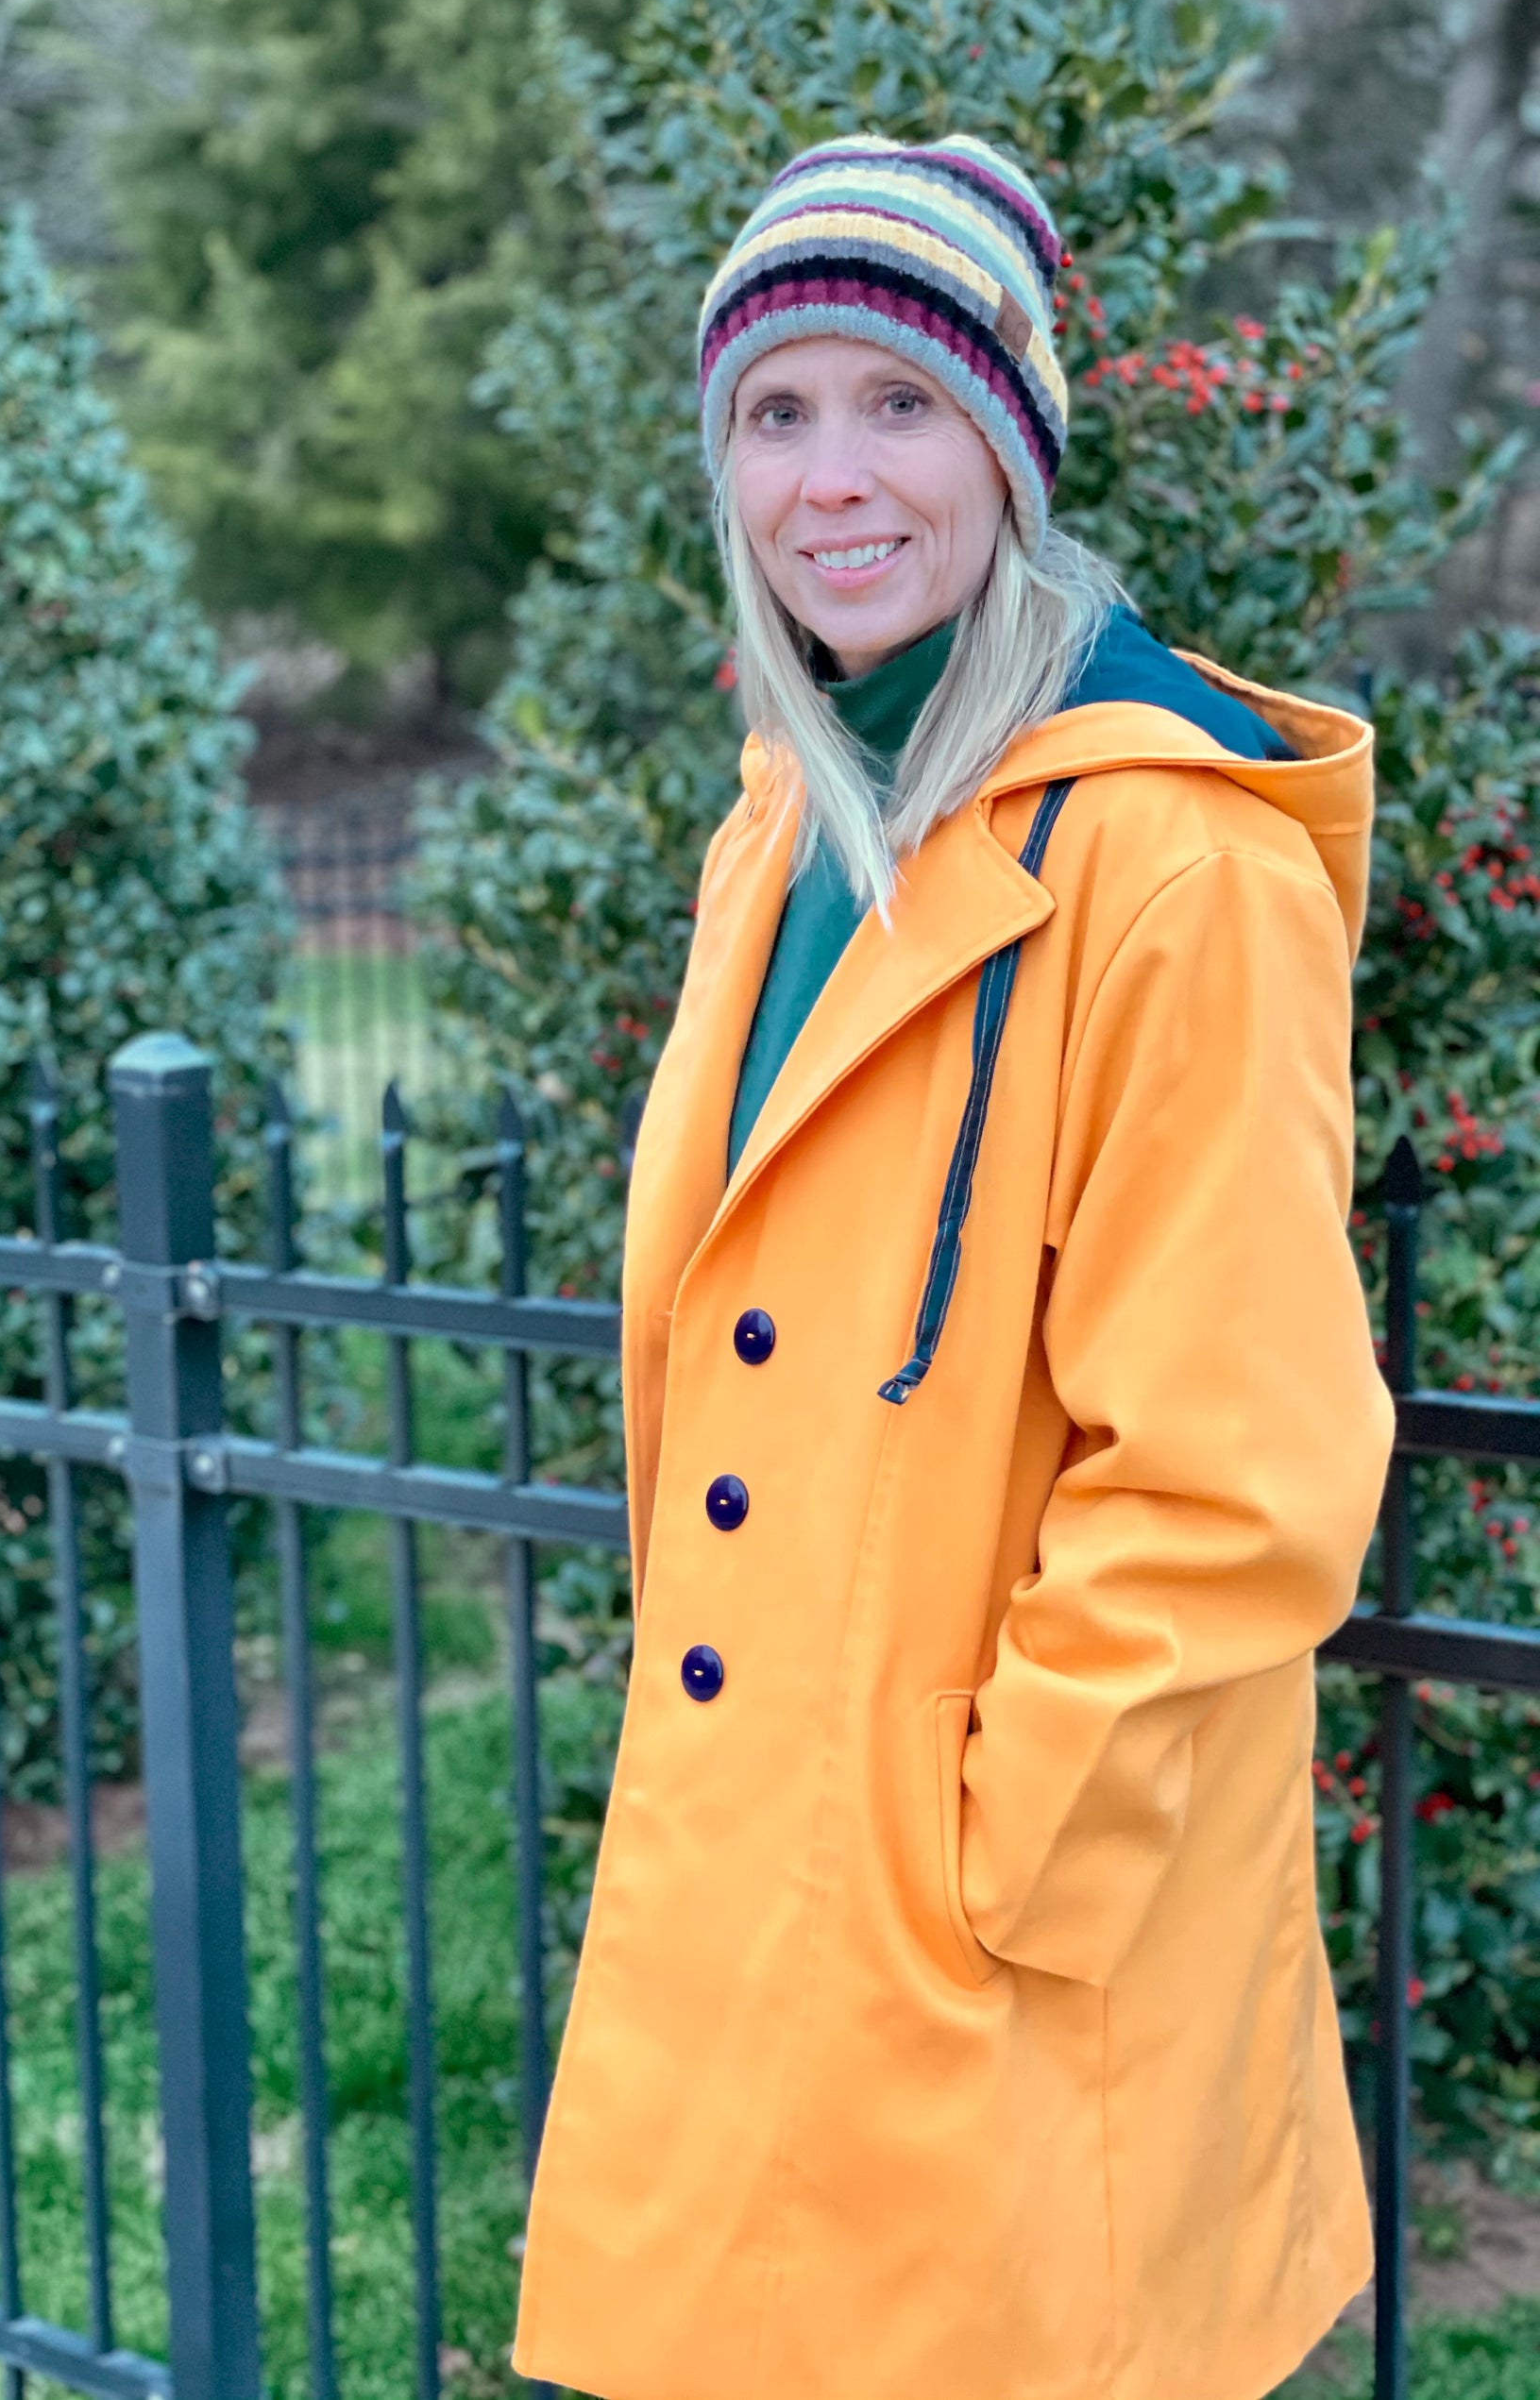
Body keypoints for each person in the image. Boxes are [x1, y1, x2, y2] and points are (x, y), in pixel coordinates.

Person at [510, 134, 1396, 2400]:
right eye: (773, 411)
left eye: (898, 401)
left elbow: (1236, 1465)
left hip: (992, 1929)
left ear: (1007, 440)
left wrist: (1009, 1845)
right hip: (769, 1885)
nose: (832, 477)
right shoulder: (784, 815)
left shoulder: (1175, 861)